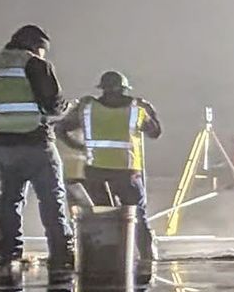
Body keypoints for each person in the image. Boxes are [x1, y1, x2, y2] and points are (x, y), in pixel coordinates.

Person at [0, 24, 74, 269]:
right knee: (52, 198)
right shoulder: (34, 64)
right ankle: (62, 253)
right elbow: (52, 105)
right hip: (33, 141)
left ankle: (10, 251)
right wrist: (68, 107)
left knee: (10, 198)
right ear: (36, 46)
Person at [64, 71, 163, 264]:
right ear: (125, 89)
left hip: (96, 171)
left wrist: (79, 147)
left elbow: (61, 129)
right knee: (137, 215)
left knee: (104, 216)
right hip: (127, 172)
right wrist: (151, 110)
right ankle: (147, 257)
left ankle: (108, 257)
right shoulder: (136, 109)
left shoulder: (88, 108)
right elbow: (155, 132)